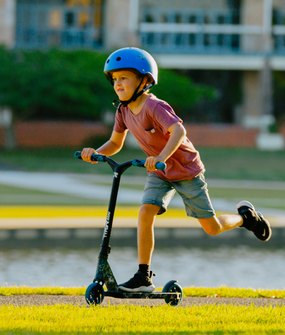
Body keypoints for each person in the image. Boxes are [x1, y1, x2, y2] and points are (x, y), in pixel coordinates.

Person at [81, 47, 271, 293]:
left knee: (212, 228)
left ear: (144, 80)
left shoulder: (154, 106)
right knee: (145, 212)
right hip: (159, 171)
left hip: (185, 169)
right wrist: (96, 153)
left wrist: (160, 156)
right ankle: (143, 276)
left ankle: (246, 217)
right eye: (115, 79)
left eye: (124, 78)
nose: (118, 84)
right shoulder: (123, 110)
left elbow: (179, 132)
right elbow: (116, 143)